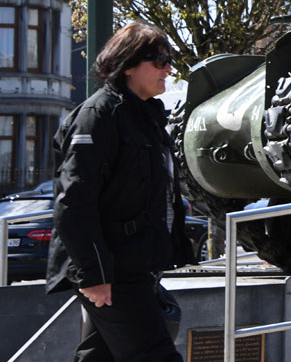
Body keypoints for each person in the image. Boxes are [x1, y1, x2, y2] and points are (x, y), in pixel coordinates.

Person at [46, 21, 193, 362]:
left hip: (136, 265)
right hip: (113, 271)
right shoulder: (98, 116)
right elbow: (73, 203)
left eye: (168, 59)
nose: (168, 68)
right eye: (158, 60)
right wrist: (94, 274)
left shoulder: (146, 117)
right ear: (128, 64)